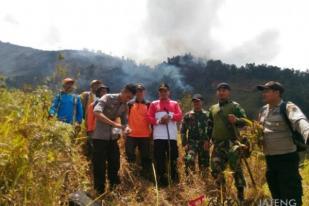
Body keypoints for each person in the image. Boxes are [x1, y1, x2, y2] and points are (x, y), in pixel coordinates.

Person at [257, 81, 309, 206]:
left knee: (291, 194)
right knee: (277, 195)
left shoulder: (287, 107)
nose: (264, 94)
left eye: (267, 91)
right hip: (270, 160)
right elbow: (258, 131)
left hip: (286, 159)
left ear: (277, 93)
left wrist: (307, 132)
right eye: (263, 91)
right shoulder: (263, 110)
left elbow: (299, 120)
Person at [92, 84, 137, 194]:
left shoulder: (125, 106)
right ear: (123, 91)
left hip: (113, 138)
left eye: (130, 98)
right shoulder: (107, 98)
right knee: (99, 165)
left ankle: (114, 190)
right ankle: (99, 191)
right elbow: (97, 113)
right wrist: (115, 124)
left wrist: (127, 128)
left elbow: (125, 122)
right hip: (100, 137)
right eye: (128, 96)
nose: (128, 100)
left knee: (115, 164)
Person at [208, 83, 248, 202]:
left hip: (233, 144)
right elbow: (210, 125)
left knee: (236, 169)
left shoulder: (235, 106)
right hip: (218, 145)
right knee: (215, 169)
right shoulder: (213, 108)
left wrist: (236, 120)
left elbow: (245, 121)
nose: (221, 92)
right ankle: (222, 195)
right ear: (217, 93)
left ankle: (241, 196)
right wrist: (207, 139)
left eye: (224, 90)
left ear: (229, 92)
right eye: (219, 90)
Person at [147, 83, 182, 187]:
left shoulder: (174, 103)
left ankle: (174, 180)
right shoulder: (154, 104)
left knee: (173, 158)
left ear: (169, 92)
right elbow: (148, 117)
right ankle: (162, 181)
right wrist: (158, 121)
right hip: (158, 137)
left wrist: (170, 116)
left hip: (171, 137)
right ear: (159, 92)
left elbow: (179, 116)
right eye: (161, 91)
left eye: (165, 91)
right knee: (160, 159)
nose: (163, 93)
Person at [125, 83, 152, 179]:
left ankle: (145, 176)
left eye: (141, 91)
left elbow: (151, 119)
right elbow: (125, 118)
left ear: (144, 92)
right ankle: (131, 176)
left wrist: (152, 133)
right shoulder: (129, 104)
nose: (139, 93)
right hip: (131, 135)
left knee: (145, 157)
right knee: (130, 156)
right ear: (135, 93)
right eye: (137, 91)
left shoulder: (149, 104)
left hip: (145, 135)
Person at [181, 94, 210, 175]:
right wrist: (185, 143)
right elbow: (183, 130)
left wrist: (208, 141)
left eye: (198, 101)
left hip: (204, 142)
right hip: (191, 143)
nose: (196, 103)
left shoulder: (207, 115)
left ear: (202, 102)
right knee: (189, 160)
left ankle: (204, 182)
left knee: (204, 164)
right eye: (194, 101)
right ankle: (190, 181)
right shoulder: (188, 115)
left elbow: (211, 129)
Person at [85, 84, 109, 158]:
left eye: (106, 91)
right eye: (102, 92)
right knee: (96, 151)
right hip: (96, 132)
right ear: (98, 94)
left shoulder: (111, 105)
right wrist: (90, 131)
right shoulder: (93, 105)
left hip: (108, 132)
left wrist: (116, 131)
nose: (104, 93)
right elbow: (89, 119)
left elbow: (115, 119)